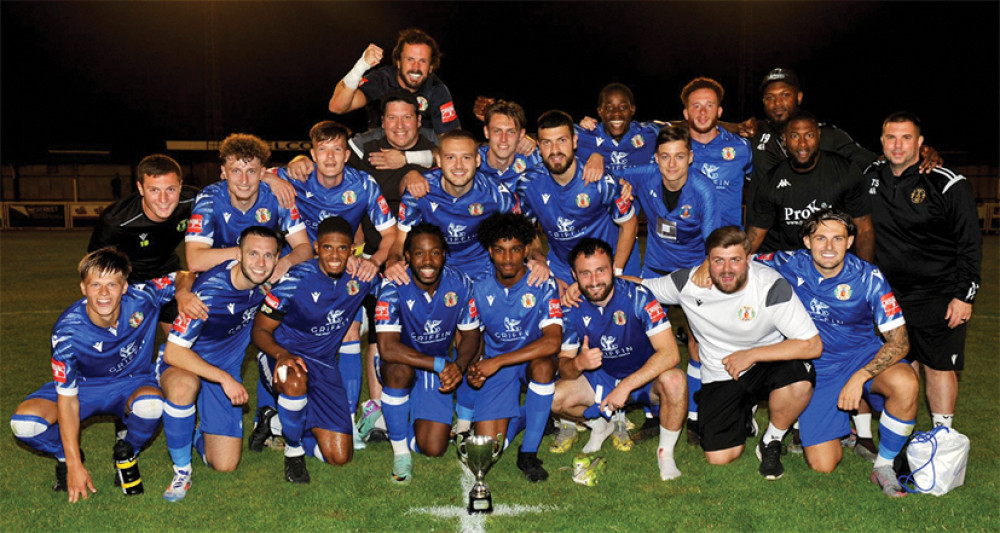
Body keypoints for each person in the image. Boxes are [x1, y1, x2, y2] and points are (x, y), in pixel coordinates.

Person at [388, 129, 547, 436]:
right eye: (450, 157)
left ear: (477, 160)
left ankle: (465, 420)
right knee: (415, 337)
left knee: (473, 344)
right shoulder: (420, 190)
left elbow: (522, 231)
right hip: (435, 273)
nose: (458, 165)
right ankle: (405, 405)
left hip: (480, 274)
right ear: (438, 160)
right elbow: (400, 242)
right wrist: (395, 262)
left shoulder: (496, 191)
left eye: (466, 158)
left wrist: (536, 257)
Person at [749, 209, 917, 497]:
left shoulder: (868, 277)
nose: (829, 247)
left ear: (850, 241)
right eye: (820, 238)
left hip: (861, 356)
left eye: (838, 238)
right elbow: (737, 260)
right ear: (806, 241)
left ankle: (884, 465)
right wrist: (701, 269)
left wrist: (859, 377)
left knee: (907, 382)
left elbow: (900, 342)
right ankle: (817, 428)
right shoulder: (788, 262)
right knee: (823, 464)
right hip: (819, 366)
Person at [256, 120, 398, 452]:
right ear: (312, 154)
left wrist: (373, 261)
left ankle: (345, 415)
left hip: (340, 264)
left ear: (347, 155)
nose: (330, 157)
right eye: (323, 150)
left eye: (337, 149)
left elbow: (390, 234)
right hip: (295, 269)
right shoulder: (296, 175)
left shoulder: (363, 184)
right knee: (275, 334)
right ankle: (268, 418)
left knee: (348, 331)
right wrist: (271, 176)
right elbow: (249, 171)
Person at [641, 226, 821, 480]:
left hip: (765, 363)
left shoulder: (770, 286)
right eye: (718, 261)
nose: (727, 270)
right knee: (720, 457)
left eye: (735, 260)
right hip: (720, 372)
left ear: (748, 259)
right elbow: (640, 287)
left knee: (799, 380)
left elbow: (812, 345)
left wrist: (752, 354)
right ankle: (745, 413)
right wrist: (587, 285)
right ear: (708, 261)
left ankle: (772, 440)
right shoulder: (688, 283)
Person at [10, 248, 176, 502]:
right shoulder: (67, 332)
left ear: (124, 287)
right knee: (24, 424)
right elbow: (67, 399)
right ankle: (64, 457)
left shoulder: (143, 297)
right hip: (84, 388)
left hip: (132, 383)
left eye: (112, 284)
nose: (103, 293)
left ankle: (127, 451)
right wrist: (74, 462)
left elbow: (184, 276)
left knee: (151, 405)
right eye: (95, 284)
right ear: (82, 288)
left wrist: (184, 292)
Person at [868, 112, 982, 431]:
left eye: (906, 138)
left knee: (938, 366)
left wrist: (964, 295)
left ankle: (942, 436)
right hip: (890, 297)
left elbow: (970, 243)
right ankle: (905, 436)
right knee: (903, 365)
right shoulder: (869, 175)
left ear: (920, 142)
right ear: (881, 141)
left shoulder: (947, 182)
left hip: (939, 294)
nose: (898, 144)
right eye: (891, 137)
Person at [611, 124, 721, 447]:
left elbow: (714, 241)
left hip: (693, 272)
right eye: (665, 157)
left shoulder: (703, 190)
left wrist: (704, 269)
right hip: (656, 267)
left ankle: (695, 418)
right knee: (646, 340)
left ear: (690, 158)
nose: (672, 165)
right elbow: (610, 172)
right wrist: (620, 182)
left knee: (697, 342)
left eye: (679, 157)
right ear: (656, 159)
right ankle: (650, 414)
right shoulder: (644, 174)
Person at [250, 217, 381, 484]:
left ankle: (274, 422)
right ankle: (293, 452)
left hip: (323, 364)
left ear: (352, 250)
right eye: (328, 248)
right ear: (316, 247)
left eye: (342, 248)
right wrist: (282, 355)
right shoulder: (295, 279)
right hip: (282, 353)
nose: (335, 255)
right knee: (294, 378)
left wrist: (378, 265)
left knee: (339, 456)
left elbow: (394, 285)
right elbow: (259, 332)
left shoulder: (360, 279)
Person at [158, 226, 280, 502]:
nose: (260, 263)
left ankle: (198, 433)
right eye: (253, 254)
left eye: (268, 256)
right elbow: (174, 353)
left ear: (276, 259)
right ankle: (182, 471)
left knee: (225, 465)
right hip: (187, 363)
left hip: (223, 368)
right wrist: (225, 379)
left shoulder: (268, 283)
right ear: (238, 254)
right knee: (182, 387)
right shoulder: (208, 292)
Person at [553, 238, 687, 480]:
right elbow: (565, 369)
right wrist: (579, 364)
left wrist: (626, 386)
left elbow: (671, 353)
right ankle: (600, 425)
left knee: (675, 379)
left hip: (644, 377)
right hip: (602, 379)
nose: (594, 281)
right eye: (585, 273)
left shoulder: (638, 296)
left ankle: (666, 455)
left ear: (612, 267)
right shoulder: (571, 308)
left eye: (601, 271)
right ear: (574, 274)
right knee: (552, 396)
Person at [375, 223, 482, 484]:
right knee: (400, 373)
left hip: (438, 365)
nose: (427, 261)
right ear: (407, 256)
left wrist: (457, 365)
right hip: (400, 362)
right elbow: (387, 348)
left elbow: (471, 335)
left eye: (435, 253)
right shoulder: (393, 284)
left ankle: (390, 417)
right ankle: (400, 453)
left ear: (444, 254)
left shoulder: (460, 282)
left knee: (434, 448)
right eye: (419, 253)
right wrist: (440, 365)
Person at [468, 213, 562, 482]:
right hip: (497, 364)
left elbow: (552, 341)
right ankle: (529, 418)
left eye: (515, 250)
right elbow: (472, 336)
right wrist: (474, 366)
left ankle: (529, 454)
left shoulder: (543, 283)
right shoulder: (479, 286)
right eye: (500, 250)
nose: (507, 259)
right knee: (492, 449)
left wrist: (496, 361)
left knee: (544, 367)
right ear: (490, 251)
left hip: (532, 359)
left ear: (526, 251)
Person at [518, 110, 640, 292]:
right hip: (563, 268)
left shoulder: (601, 181)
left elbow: (629, 224)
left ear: (575, 141)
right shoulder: (528, 185)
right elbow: (527, 232)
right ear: (539, 146)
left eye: (562, 140)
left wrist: (616, 271)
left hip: (607, 263)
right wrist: (538, 259)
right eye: (547, 143)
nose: (555, 150)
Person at [88, 154, 200, 333]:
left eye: (171, 189)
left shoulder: (195, 200)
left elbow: (229, 198)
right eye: (154, 190)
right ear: (140, 188)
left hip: (169, 275)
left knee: (184, 343)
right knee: (124, 350)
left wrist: (261, 183)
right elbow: (95, 268)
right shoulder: (116, 221)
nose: (163, 199)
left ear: (180, 185)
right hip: (128, 281)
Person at [746, 110, 874, 261]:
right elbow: (756, 233)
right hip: (794, 268)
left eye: (809, 135)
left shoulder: (845, 171)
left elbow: (864, 228)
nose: (802, 144)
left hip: (839, 264)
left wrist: (865, 274)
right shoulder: (771, 181)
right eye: (795, 136)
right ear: (784, 140)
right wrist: (736, 262)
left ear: (819, 136)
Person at [328, 28, 459, 136]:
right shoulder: (381, 79)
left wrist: (411, 158)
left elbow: (452, 141)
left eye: (422, 61)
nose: (415, 67)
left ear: (431, 67)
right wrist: (361, 65)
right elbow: (337, 106)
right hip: (378, 151)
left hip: (421, 156)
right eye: (410, 59)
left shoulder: (437, 89)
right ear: (398, 62)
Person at [681, 77, 753, 228]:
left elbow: (761, 190)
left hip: (726, 244)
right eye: (696, 106)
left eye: (709, 105)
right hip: (686, 243)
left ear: (719, 111)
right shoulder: (674, 148)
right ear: (686, 113)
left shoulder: (741, 148)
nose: (702, 112)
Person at [478, 100, 542, 190]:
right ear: (486, 132)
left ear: (521, 135)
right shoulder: (470, 161)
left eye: (511, 132)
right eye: (497, 131)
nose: (503, 139)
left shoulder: (535, 161)